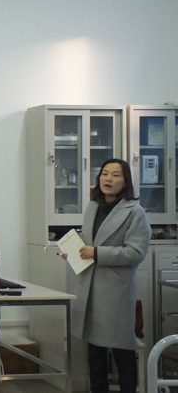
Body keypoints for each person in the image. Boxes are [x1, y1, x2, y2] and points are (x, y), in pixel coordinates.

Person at [62, 158, 150, 393]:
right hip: (89, 289)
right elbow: (89, 243)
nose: (108, 179)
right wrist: (75, 252)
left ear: (125, 182)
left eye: (115, 175)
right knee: (95, 352)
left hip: (115, 292)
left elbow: (135, 253)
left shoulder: (135, 212)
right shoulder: (93, 207)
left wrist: (97, 253)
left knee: (122, 350)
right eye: (104, 174)